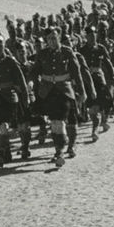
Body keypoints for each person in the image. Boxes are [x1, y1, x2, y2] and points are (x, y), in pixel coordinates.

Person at [31, 27, 92, 166]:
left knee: (70, 120)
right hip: (49, 92)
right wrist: (30, 80)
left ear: (58, 37)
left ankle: (71, 144)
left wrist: (82, 92)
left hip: (65, 90)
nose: (52, 41)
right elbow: (35, 71)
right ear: (46, 40)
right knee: (55, 122)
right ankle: (59, 151)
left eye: (54, 37)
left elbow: (77, 73)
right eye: (49, 39)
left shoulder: (67, 52)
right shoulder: (42, 54)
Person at [0, 36, 31, 167]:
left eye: (0, 46)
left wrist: (25, 98)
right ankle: (7, 153)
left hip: (9, 97)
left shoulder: (10, 61)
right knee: (2, 127)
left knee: (5, 126)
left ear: (4, 46)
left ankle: (2, 154)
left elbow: (21, 81)